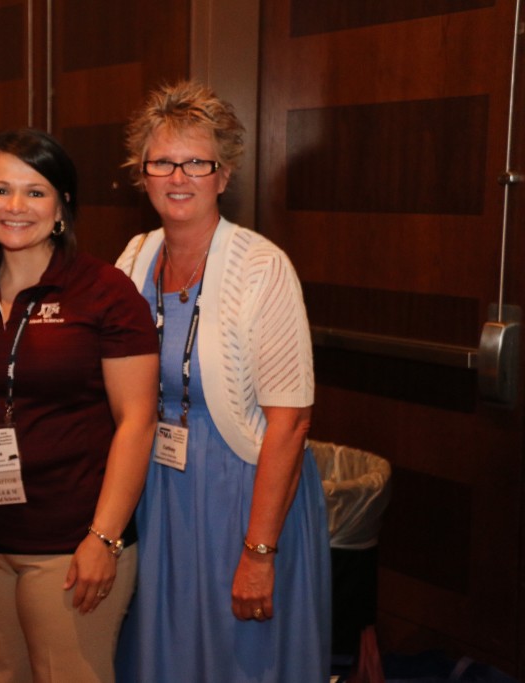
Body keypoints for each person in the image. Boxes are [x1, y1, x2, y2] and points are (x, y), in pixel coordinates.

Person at [113, 81, 331, 682]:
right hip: (159, 495)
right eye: (163, 161)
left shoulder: (262, 267)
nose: (178, 176)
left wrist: (258, 552)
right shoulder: (133, 258)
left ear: (224, 174)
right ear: (143, 172)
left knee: (241, 661)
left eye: (197, 162)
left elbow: (290, 423)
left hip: (245, 495)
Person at [0, 129, 159, 682]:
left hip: (70, 543)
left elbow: (137, 422)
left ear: (63, 205)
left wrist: (104, 538)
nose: (16, 207)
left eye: (36, 192)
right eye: (1, 190)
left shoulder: (105, 292)